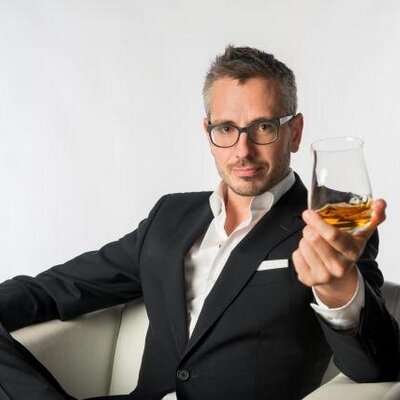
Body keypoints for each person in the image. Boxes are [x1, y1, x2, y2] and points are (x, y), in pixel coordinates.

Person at [0, 45, 399, 400]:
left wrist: (337, 288)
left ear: (294, 133)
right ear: (208, 134)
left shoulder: (333, 219)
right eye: (226, 129)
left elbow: (377, 368)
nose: (242, 150)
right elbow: (57, 288)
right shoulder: (170, 216)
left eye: (263, 127)